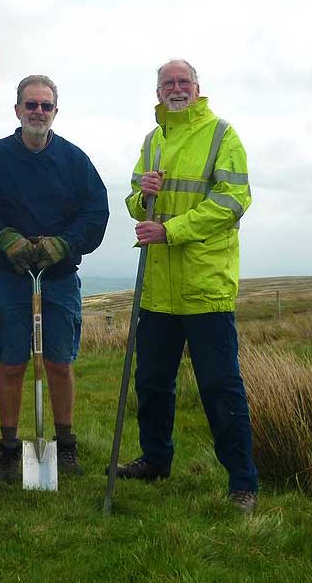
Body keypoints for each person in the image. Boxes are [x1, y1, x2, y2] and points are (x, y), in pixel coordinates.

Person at [118, 59, 259, 514]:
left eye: (183, 82)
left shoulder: (222, 135)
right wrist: (145, 195)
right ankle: (156, 461)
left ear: (197, 88)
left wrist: (170, 230)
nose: (176, 88)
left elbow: (233, 202)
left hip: (204, 289)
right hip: (158, 289)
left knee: (220, 386)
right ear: (158, 92)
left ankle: (243, 482)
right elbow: (135, 202)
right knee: (152, 382)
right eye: (167, 83)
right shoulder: (152, 140)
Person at [0, 75, 109, 483]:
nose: (38, 112)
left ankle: (65, 446)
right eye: (31, 105)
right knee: (12, 364)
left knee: (59, 363)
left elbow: (96, 214)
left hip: (57, 279)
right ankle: (8, 450)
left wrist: (65, 243)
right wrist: (3, 237)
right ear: (18, 109)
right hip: (9, 277)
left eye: (46, 105)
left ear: (55, 111)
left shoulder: (75, 162)